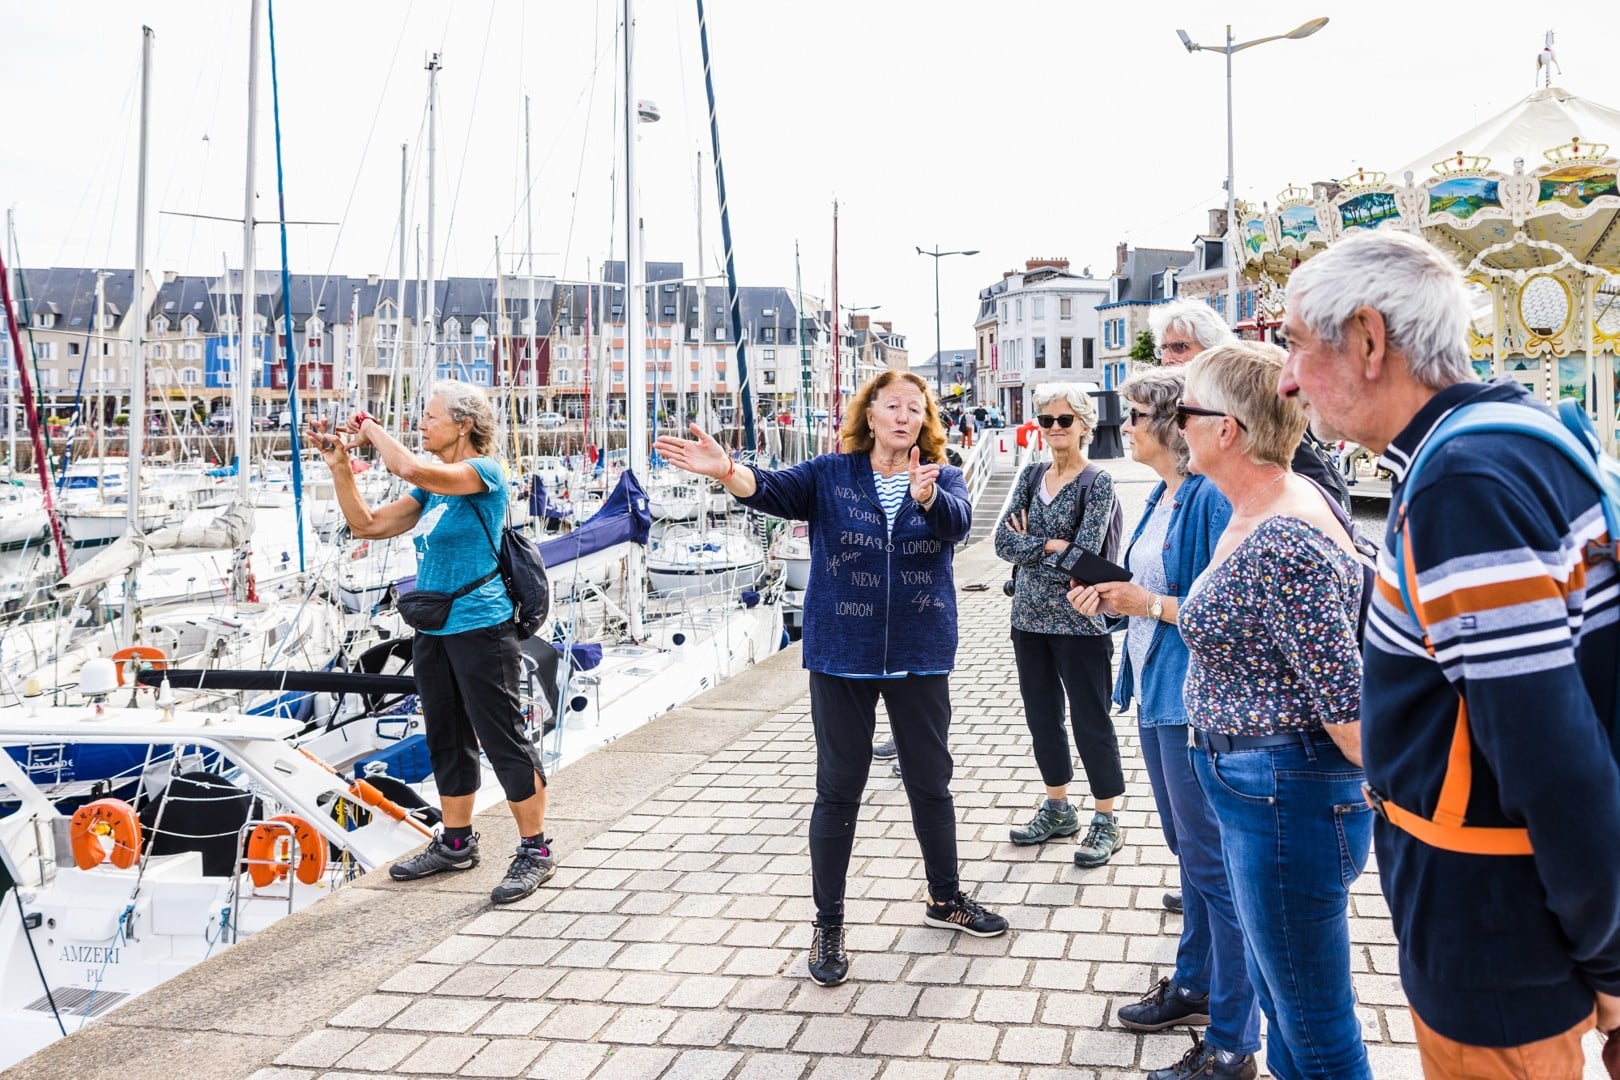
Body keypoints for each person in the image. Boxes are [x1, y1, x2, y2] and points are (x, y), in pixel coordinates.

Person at [1279, 230, 1620, 1078]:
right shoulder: (1512, 433)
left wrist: (1613, 961)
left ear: (1366, 338)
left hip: (1497, 936)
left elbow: (1553, 760)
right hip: (1514, 918)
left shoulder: (1460, 484)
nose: (1286, 378)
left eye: (1293, 343)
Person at [653, 370, 1007, 988]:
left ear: (925, 420)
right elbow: (763, 489)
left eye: (914, 408)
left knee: (931, 783)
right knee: (839, 790)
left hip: (920, 653)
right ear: (868, 415)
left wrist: (926, 496)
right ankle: (829, 924)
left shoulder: (942, 477)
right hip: (843, 652)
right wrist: (723, 470)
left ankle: (945, 898)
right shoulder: (829, 474)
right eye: (891, 405)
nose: (903, 416)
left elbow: (957, 527)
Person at [1175, 342, 1371, 1079]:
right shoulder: (1260, 508)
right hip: (1260, 787)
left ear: (1227, 429)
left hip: (1286, 796)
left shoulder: (1282, 536)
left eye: (1185, 410)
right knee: (1287, 1010)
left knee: (1316, 1030)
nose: (1175, 424)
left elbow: (1347, 708)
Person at [1070, 367, 1258, 1080]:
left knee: (1214, 868)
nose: (1127, 425)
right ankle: (1194, 984)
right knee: (1192, 856)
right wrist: (1116, 598)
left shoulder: (1208, 498)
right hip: (1154, 691)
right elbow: (1152, 590)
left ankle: (1235, 1038)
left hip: (1192, 701)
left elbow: (1213, 609)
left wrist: (1143, 602)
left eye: (1138, 413)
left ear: (1178, 424)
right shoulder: (1158, 494)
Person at [312, 381, 556, 905]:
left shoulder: (484, 473)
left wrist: (369, 429)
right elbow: (368, 525)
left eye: (429, 417)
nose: (421, 425)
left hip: (482, 627)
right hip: (434, 628)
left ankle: (535, 850)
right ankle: (456, 842)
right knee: (446, 735)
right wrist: (339, 468)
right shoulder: (432, 492)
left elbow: (411, 468)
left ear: (463, 425)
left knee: (503, 737)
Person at [994, 384, 1125, 868]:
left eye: (1064, 420)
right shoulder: (1030, 476)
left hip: (1081, 620)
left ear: (1085, 426)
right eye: (1046, 420)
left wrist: (1043, 546)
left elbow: (1085, 556)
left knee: (1092, 720)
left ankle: (1106, 818)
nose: (1054, 428)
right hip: (1027, 620)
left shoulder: (1099, 482)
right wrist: (1052, 547)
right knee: (1042, 718)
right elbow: (1002, 543)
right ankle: (1057, 808)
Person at [1150, 299, 1349, 509]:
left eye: (1179, 347)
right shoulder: (1194, 402)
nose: (1167, 358)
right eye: (1163, 348)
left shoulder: (1247, 403)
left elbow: (1313, 479)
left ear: (1213, 350)